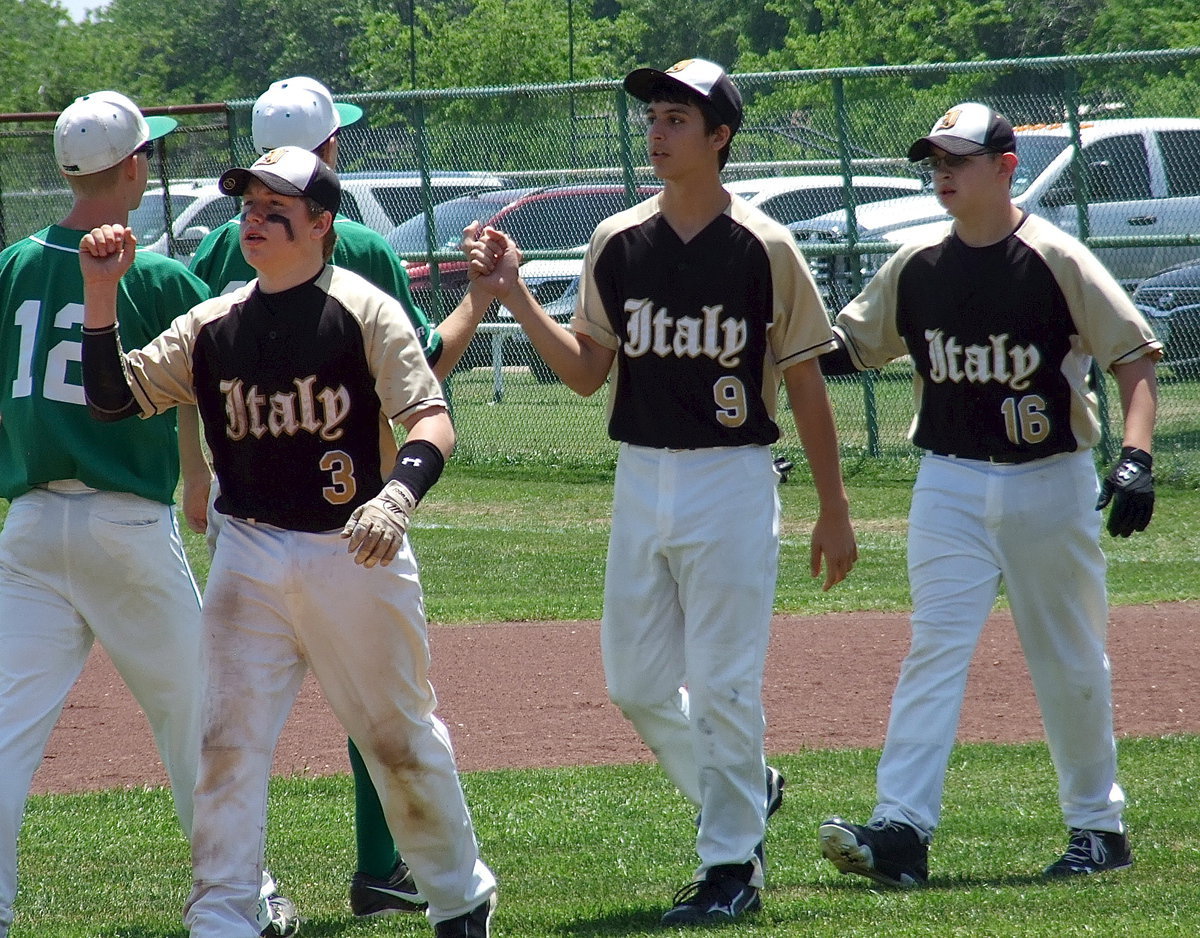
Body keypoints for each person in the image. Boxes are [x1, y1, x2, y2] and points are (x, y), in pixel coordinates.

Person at [467, 58, 857, 925]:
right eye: (654, 116)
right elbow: (583, 374)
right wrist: (516, 294)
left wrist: (834, 507)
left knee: (723, 684)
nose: (658, 130)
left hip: (731, 476)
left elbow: (804, 384)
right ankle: (747, 791)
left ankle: (732, 869)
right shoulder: (619, 239)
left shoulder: (764, 245)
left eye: (678, 118)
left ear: (720, 137)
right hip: (642, 475)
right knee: (637, 683)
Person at [79, 145, 496, 938]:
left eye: (276, 208)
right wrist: (101, 296)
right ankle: (224, 918)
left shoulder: (365, 309)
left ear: (320, 224)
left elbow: (431, 418)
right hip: (249, 550)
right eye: (247, 206)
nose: (255, 220)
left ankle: (458, 896)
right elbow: (110, 398)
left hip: (355, 549)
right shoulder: (212, 324)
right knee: (226, 742)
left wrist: (399, 495)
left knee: (397, 738)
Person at [815, 101, 1161, 886]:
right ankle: (902, 831)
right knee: (934, 647)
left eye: (957, 159)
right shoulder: (917, 263)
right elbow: (848, 349)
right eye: (934, 159)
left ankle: (1098, 829)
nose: (941, 171)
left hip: (1052, 479)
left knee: (1069, 656)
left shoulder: (1054, 257)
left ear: (1006, 167)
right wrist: (775, 337)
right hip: (950, 478)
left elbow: (1135, 358)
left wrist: (1136, 456)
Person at [187, 74, 491, 919]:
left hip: (244, 502)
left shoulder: (220, 246)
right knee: (381, 720)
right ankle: (380, 868)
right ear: (330, 154)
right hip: (351, 512)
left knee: (242, 734)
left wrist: (195, 472)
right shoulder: (352, 241)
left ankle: (276, 896)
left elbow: (191, 381)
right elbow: (428, 368)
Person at [0, 90, 297, 938]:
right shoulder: (160, 276)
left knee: (6, 735)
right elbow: (201, 392)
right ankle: (244, 897)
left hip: (27, 528)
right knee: (197, 721)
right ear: (132, 167)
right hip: (124, 527)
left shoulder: (12, 266)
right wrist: (201, 474)